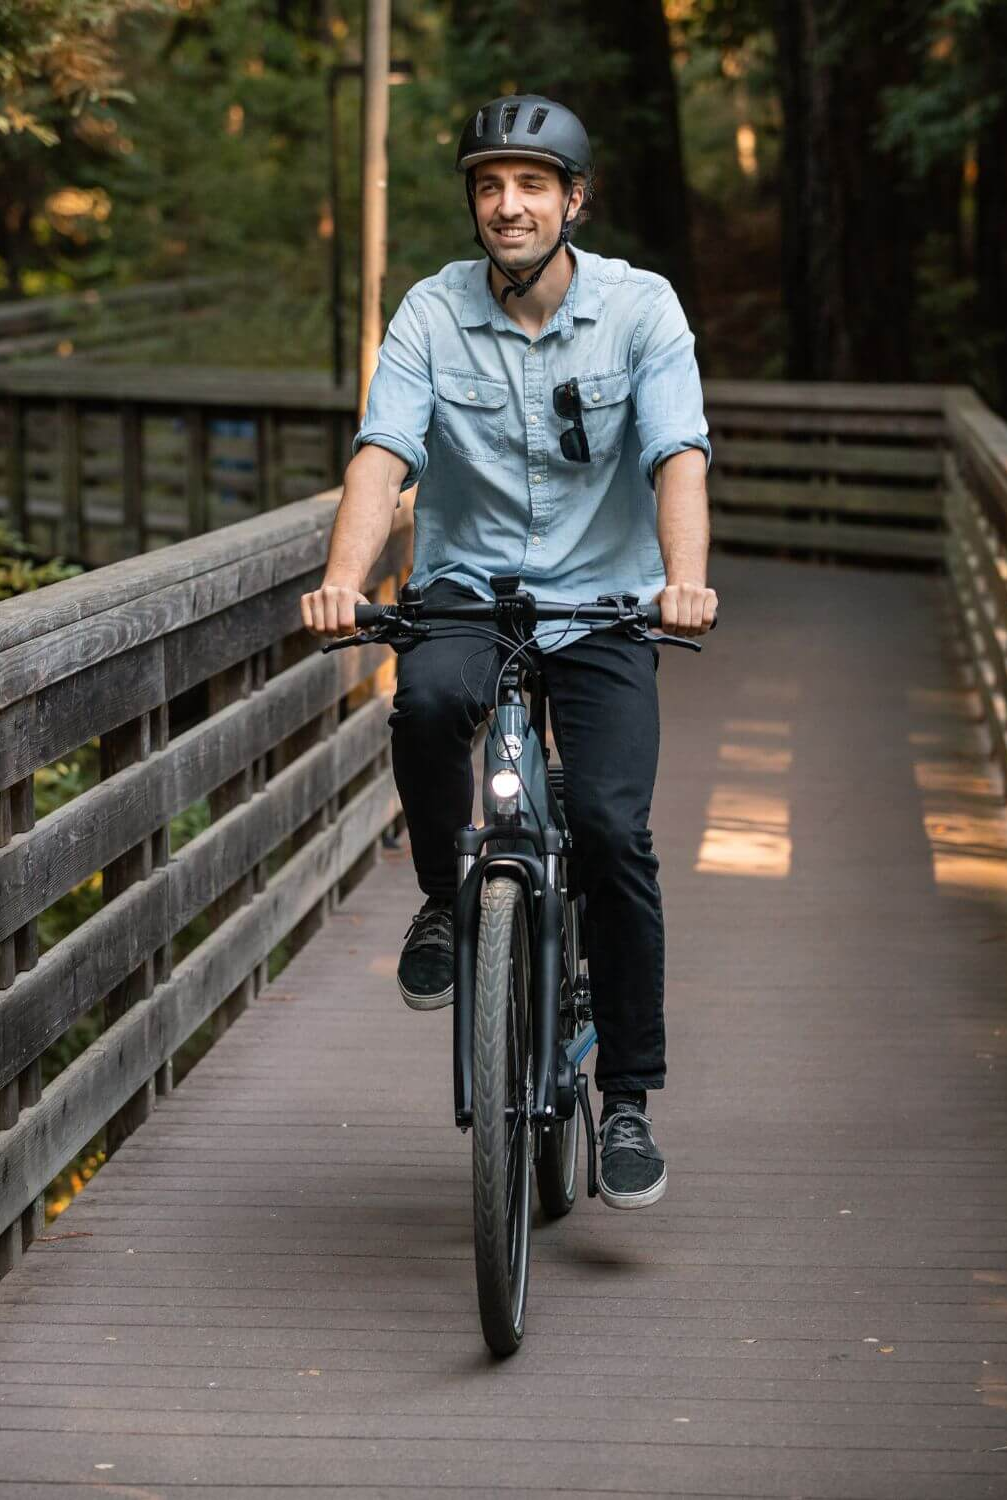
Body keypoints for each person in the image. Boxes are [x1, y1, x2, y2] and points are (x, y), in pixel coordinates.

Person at [300, 94, 715, 1209]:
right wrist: (344, 582)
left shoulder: (640, 308)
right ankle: (447, 898)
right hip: (467, 590)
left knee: (613, 832)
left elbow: (677, 451)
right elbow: (384, 454)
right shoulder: (433, 312)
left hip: (609, 605)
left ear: (573, 201)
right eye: (490, 185)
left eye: (533, 184)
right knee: (427, 705)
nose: (508, 204)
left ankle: (625, 1100)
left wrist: (684, 580)